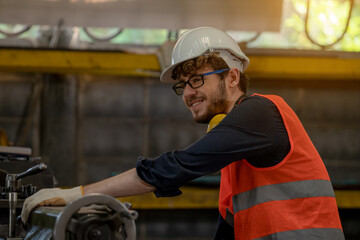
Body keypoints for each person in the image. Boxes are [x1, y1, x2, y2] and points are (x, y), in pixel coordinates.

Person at [21, 27, 344, 240]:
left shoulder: (260, 113)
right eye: (183, 84)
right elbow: (228, 229)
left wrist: (74, 196)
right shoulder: (237, 156)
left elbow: (175, 166)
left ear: (232, 77)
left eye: (197, 80)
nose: (187, 93)